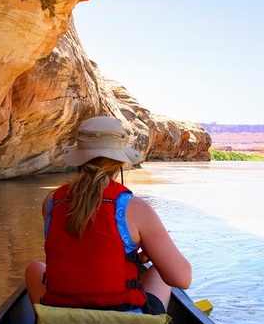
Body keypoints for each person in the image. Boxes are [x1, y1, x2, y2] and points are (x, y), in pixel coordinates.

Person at [25, 116, 192, 313]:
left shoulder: (52, 202)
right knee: (158, 271)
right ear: (119, 162)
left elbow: (79, 251)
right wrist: (150, 255)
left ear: (78, 158)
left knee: (35, 269)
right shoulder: (135, 208)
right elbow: (182, 279)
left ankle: (46, 320)